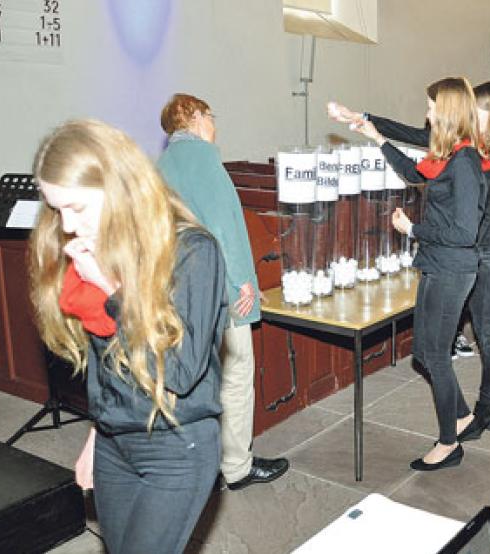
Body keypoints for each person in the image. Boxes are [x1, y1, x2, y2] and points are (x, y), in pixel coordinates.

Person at [30, 119, 225, 554]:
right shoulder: (100, 249)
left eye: (77, 208)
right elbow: (110, 364)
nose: (66, 226)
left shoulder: (192, 251)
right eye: (56, 209)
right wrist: (97, 436)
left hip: (177, 445)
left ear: (118, 186)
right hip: (117, 443)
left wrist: (113, 290)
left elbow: (179, 372)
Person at [328, 81, 490, 425]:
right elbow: (409, 135)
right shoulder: (462, 147)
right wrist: (364, 119)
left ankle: (483, 410)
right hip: (471, 247)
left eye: (475, 109)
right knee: (481, 328)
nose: (466, 114)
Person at [343, 77, 486, 470]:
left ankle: (448, 443)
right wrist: (377, 138)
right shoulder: (448, 157)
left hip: (453, 268)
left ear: (449, 111)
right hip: (437, 263)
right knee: (423, 352)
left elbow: (465, 232)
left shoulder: (466, 163)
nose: (426, 114)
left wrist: (413, 230)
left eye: (431, 107)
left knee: (436, 356)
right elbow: (415, 173)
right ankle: (462, 416)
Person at [156, 94, 289, 491]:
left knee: (192, 377)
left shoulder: (161, 165)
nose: (215, 124)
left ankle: (197, 463)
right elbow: (222, 225)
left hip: (179, 288)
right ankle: (236, 466)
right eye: (211, 116)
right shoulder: (204, 157)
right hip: (220, 287)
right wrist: (243, 282)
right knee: (236, 371)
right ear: (195, 118)